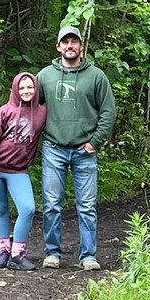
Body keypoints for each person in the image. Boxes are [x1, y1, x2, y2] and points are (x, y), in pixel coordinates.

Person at [35, 25, 116, 271]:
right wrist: (0, 115)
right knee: (51, 203)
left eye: (74, 42)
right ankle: (52, 253)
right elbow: (26, 105)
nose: (70, 46)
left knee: (87, 205)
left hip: (85, 151)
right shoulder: (45, 76)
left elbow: (108, 112)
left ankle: (88, 256)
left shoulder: (96, 76)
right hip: (54, 148)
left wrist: (95, 142)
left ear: (81, 46)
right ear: (58, 47)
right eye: (65, 42)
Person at [0, 73, 47, 270]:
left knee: (27, 208)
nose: (26, 91)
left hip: (18, 171)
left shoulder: (42, 112)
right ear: (15, 90)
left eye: (30, 87)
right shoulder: (4, 111)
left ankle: (17, 254)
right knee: (0, 210)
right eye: (22, 88)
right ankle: (3, 251)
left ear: (36, 89)